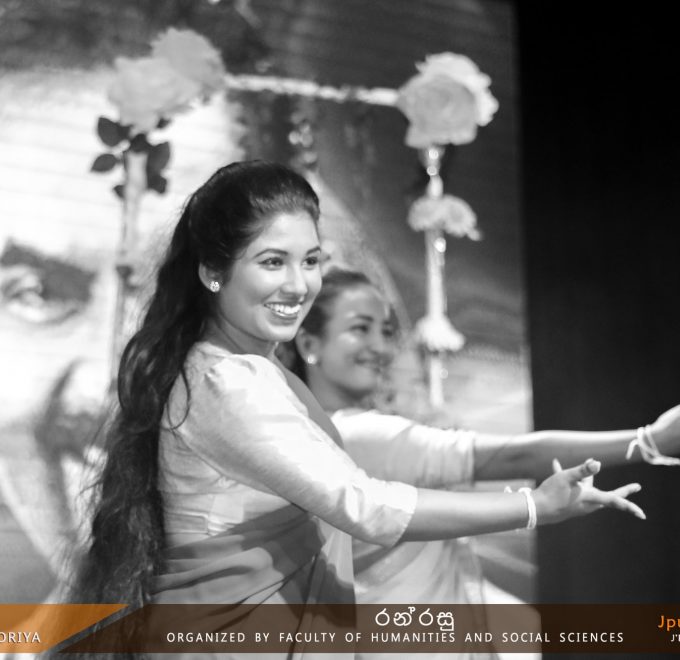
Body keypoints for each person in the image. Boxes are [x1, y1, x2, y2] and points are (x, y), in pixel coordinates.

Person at [72, 162, 647, 658]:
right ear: (213, 272)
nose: (298, 284)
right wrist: (533, 506)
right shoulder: (227, 381)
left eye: (311, 261)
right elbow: (363, 505)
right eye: (272, 262)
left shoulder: (243, 373)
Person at [285, 267, 680, 658]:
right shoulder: (361, 435)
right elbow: (517, 455)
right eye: (360, 328)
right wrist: (649, 440)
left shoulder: (305, 438)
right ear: (309, 344)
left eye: (386, 330)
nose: (380, 346)